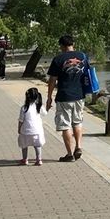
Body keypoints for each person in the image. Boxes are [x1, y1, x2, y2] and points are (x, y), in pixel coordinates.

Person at [46, 34, 87, 162]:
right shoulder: (83, 56)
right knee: (77, 122)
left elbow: (52, 80)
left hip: (64, 96)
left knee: (65, 125)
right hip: (79, 95)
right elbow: (87, 74)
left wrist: (49, 97)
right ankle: (79, 147)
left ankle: (70, 154)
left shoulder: (58, 59)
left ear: (62, 46)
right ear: (72, 44)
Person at [17, 88, 45, 165]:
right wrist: (48, 106)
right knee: (37, 145)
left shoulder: (24, 108)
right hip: (37, 131)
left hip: (26, 131)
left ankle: (25, 159)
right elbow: (45, 113)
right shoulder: (39, 106)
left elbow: (21, 120)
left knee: (24, 145)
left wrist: (19, 129)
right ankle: (39, 159)